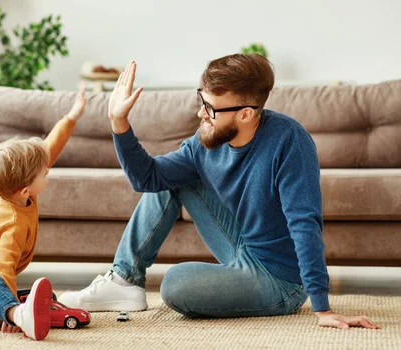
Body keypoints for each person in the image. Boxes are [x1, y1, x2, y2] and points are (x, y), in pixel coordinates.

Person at [59, 55, 380, 330]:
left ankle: (266, 292)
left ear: (246, 113)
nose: (202, 114)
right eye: (202, 101)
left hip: (281, 278)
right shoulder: (205, 143)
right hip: (243, 245)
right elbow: (149, 178)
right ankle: (124, 281)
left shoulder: (288, 141)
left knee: (176, 284)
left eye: (211, 108)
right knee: (172, 178)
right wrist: (119, 121)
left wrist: (322, 307)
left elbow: (304, 223)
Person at [0, 85, 88, 341]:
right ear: (24, 190)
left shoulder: (10, 190)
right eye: (44, 173)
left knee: (48, 298)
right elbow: (3, 269)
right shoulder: (11, 224)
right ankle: (15, 313)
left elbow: (49, 150)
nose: (48, 171)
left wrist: (71, 118)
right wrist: (9, 312)